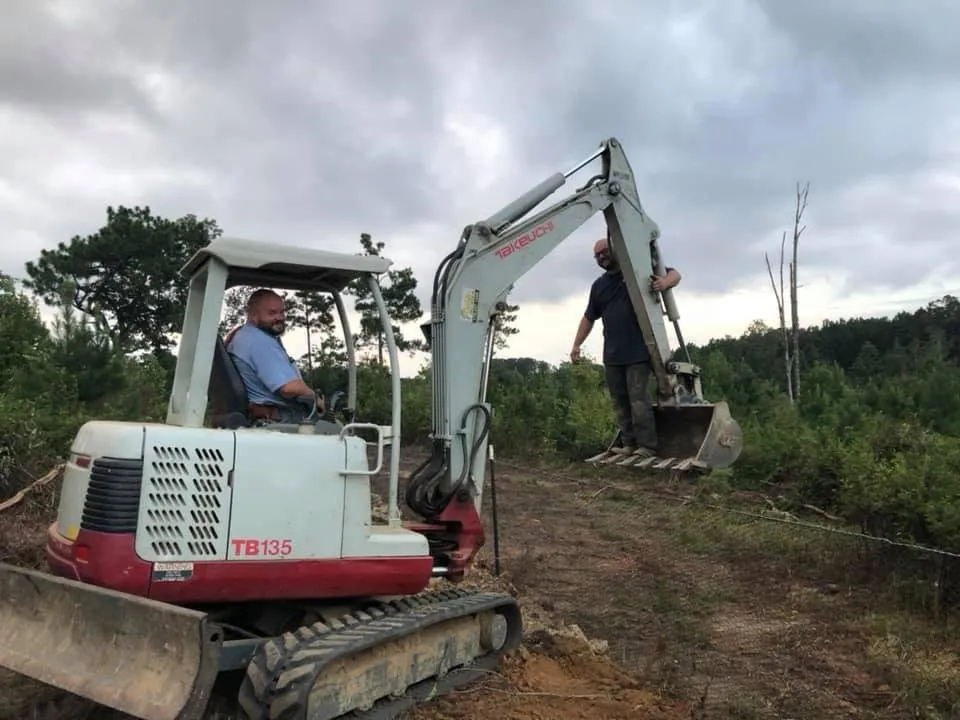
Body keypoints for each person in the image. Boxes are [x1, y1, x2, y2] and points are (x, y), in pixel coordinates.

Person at [569, 237, 681, 457]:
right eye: (597, 255)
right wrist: (576, 344)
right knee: (620, 401)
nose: (601, 257)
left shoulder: (637, 272)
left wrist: (664, 283)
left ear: (615, 249)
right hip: (612, 354)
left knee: (638, 399)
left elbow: (675, 274)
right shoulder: (599, 286)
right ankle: (629, 444)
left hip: (639, 351)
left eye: (604, 252)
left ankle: (647, 446)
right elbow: (589, 318)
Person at [225, 288, 325, 423]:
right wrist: (316, 398)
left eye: (282, 312)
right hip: (279, 418)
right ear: (254, 315)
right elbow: (289, 388)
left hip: (264, 415)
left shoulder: (243, 336)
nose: (279, 317)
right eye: (272, 313)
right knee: (334, 428)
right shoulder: (258, 341)